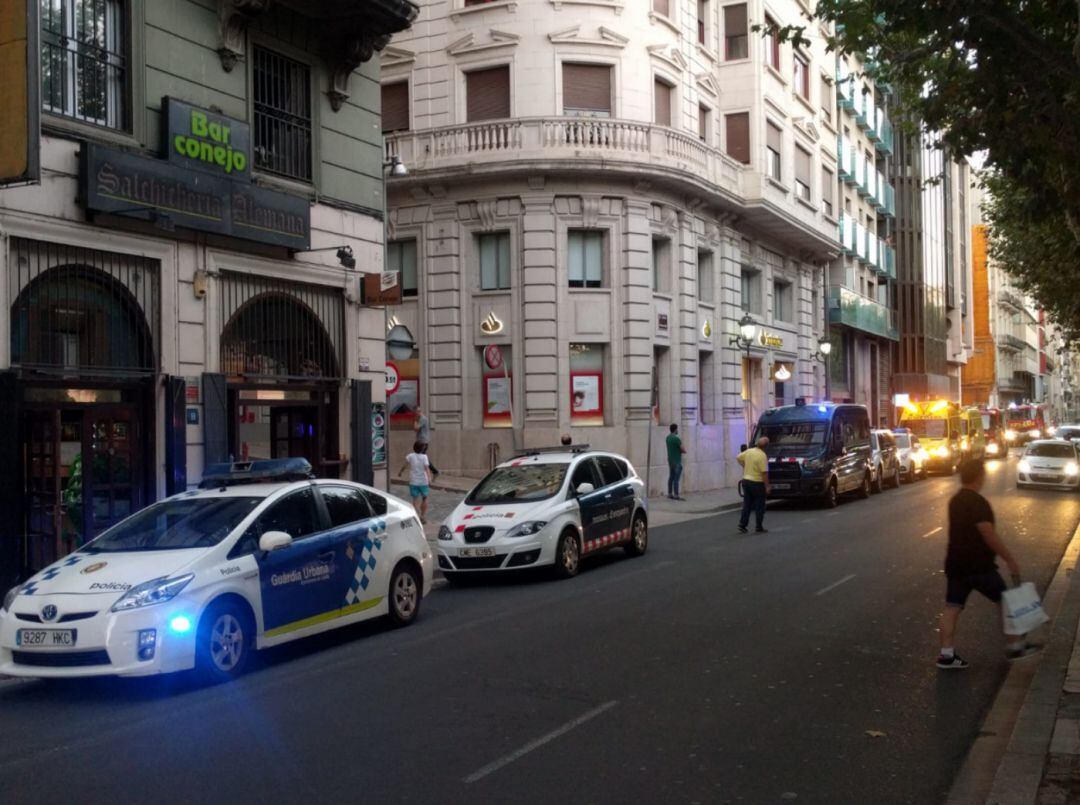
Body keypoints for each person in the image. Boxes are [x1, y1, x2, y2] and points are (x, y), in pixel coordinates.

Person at [936, 459, 1040, 669]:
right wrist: (1009, 559)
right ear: (979, 476)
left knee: (952, 607)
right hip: (979, 566)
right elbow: (988, 534)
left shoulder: (955, 500)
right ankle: (1015, 646)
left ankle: (947, 654)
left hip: (956, 564)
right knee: (1005, 600)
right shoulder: (979, 503)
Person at [736, 437, 770, 533]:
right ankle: (758, 526)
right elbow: (764, 473)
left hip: (746, 481)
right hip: (757, 483)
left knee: (747, 504)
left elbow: (738, 457)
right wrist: (767, 486)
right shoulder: (762, 456)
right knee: (760, 505)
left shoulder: (749, 451)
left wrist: (744, 465)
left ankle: (742, 524)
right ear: (766, 446)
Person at [398, 441, 432, 524]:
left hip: (413, 481)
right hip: (423, 482)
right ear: (422, 449)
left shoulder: (410, 456)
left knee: (414, 500)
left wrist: (400, 472)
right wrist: (429, 478)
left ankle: (416, 515)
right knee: (424, 498)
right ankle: (422, 516)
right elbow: (426, 468)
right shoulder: (424, 457)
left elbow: (404, 466)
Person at [413, 405, 438, 477]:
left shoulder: (422, 419)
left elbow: (416, 429)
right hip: (421, 441)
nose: (418, 413)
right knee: (423, 457)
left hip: (423, 442)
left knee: (421, 457)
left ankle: (434, 472)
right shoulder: (421, 419)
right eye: (417, 411)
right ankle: (434, 472)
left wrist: (415, 420)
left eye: (419, 411)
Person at [666, 423, 686, 500]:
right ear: (675, 429)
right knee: (676, 479)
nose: (677, 430)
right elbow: (683, 449)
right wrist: (682, 451)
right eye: (677, 429)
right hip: (677, 460)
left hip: (670, 460)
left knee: (671, 477)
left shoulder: (667, 438)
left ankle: (669, 493)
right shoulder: (676, 439)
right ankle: (676, 495)